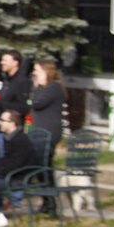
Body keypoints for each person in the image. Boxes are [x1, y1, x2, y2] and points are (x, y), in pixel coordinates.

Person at [29, 59, 64, 215]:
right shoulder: (44, 87)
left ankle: (51, 204)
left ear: (46, 71)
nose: (35, 73)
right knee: (40, 167)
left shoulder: (54, 87)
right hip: (39, 131)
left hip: (48, 132)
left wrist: (37, 88)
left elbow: (37, 103)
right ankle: (47, 202)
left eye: (37, 70)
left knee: (43, 166)